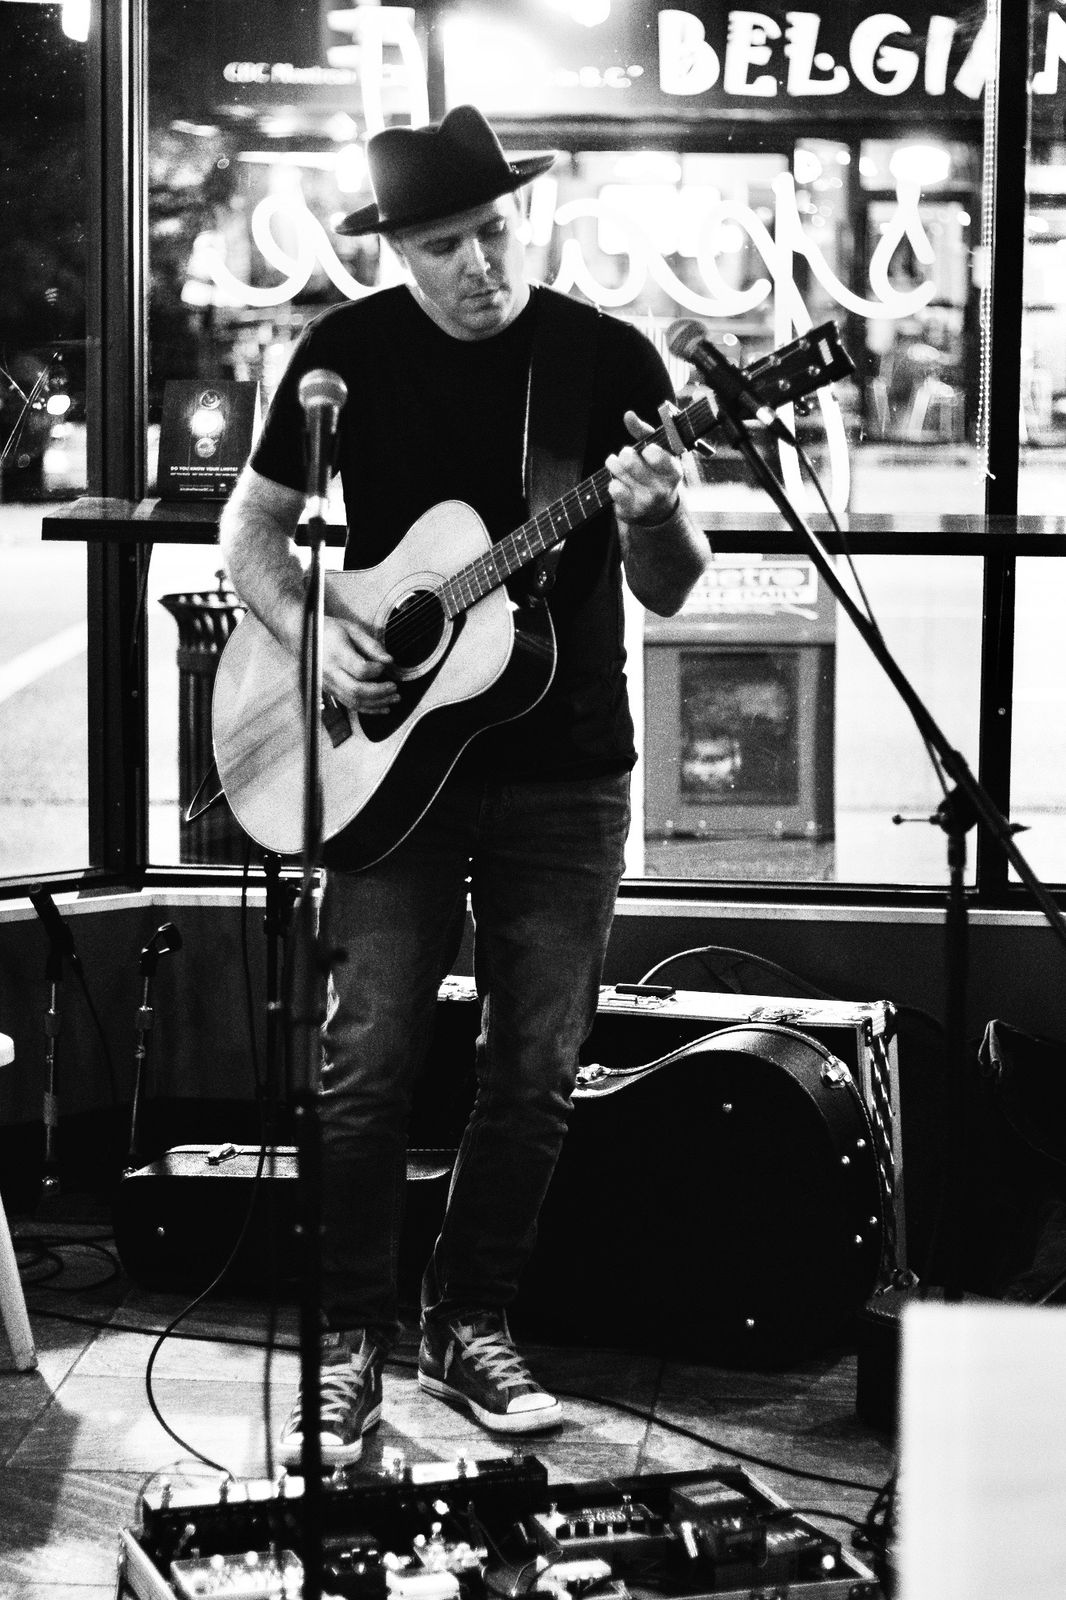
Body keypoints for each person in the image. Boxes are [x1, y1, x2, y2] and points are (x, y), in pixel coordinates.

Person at [219, 104, 709, 1470]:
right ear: (397, 250)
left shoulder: (605, 360)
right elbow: (252, 528)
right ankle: (349, 1339)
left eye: (494, 231)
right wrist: (314, 639)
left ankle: (470, 1319)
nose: (479, 265)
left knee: (535, 1070)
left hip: (567, 771)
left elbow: (671, 586)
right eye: (444, 246)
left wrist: (657, 512)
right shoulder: (345, 356)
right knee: (365, 1062)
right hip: (383, 771)